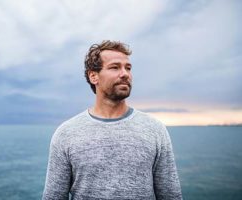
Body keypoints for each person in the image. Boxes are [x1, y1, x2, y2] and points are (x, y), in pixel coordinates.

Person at [42, 40, 182, 200]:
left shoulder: (155, 129)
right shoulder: (66, 133)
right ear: (93, 76)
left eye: (128, 68)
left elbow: (171, 195)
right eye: (115, 67)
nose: (125, 74)